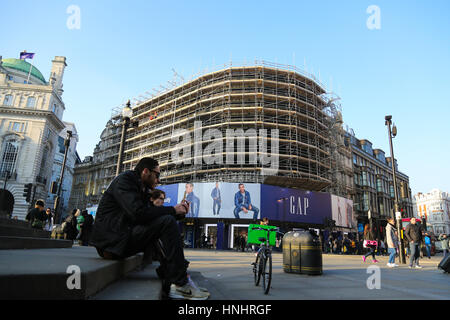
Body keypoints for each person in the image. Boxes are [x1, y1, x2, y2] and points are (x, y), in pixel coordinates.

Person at [89, 157, 209, 300]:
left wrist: (178, 213)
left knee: (166, 221)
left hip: (120, 237)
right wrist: (172, 211)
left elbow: (151, 215)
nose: (158, 180)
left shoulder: (140, 186)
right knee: (166, 222)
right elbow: (138, 213)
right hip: (111, 242)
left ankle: (174, 277)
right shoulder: (125, 181)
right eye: (157, 175)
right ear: (146, 171)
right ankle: (180, 284)